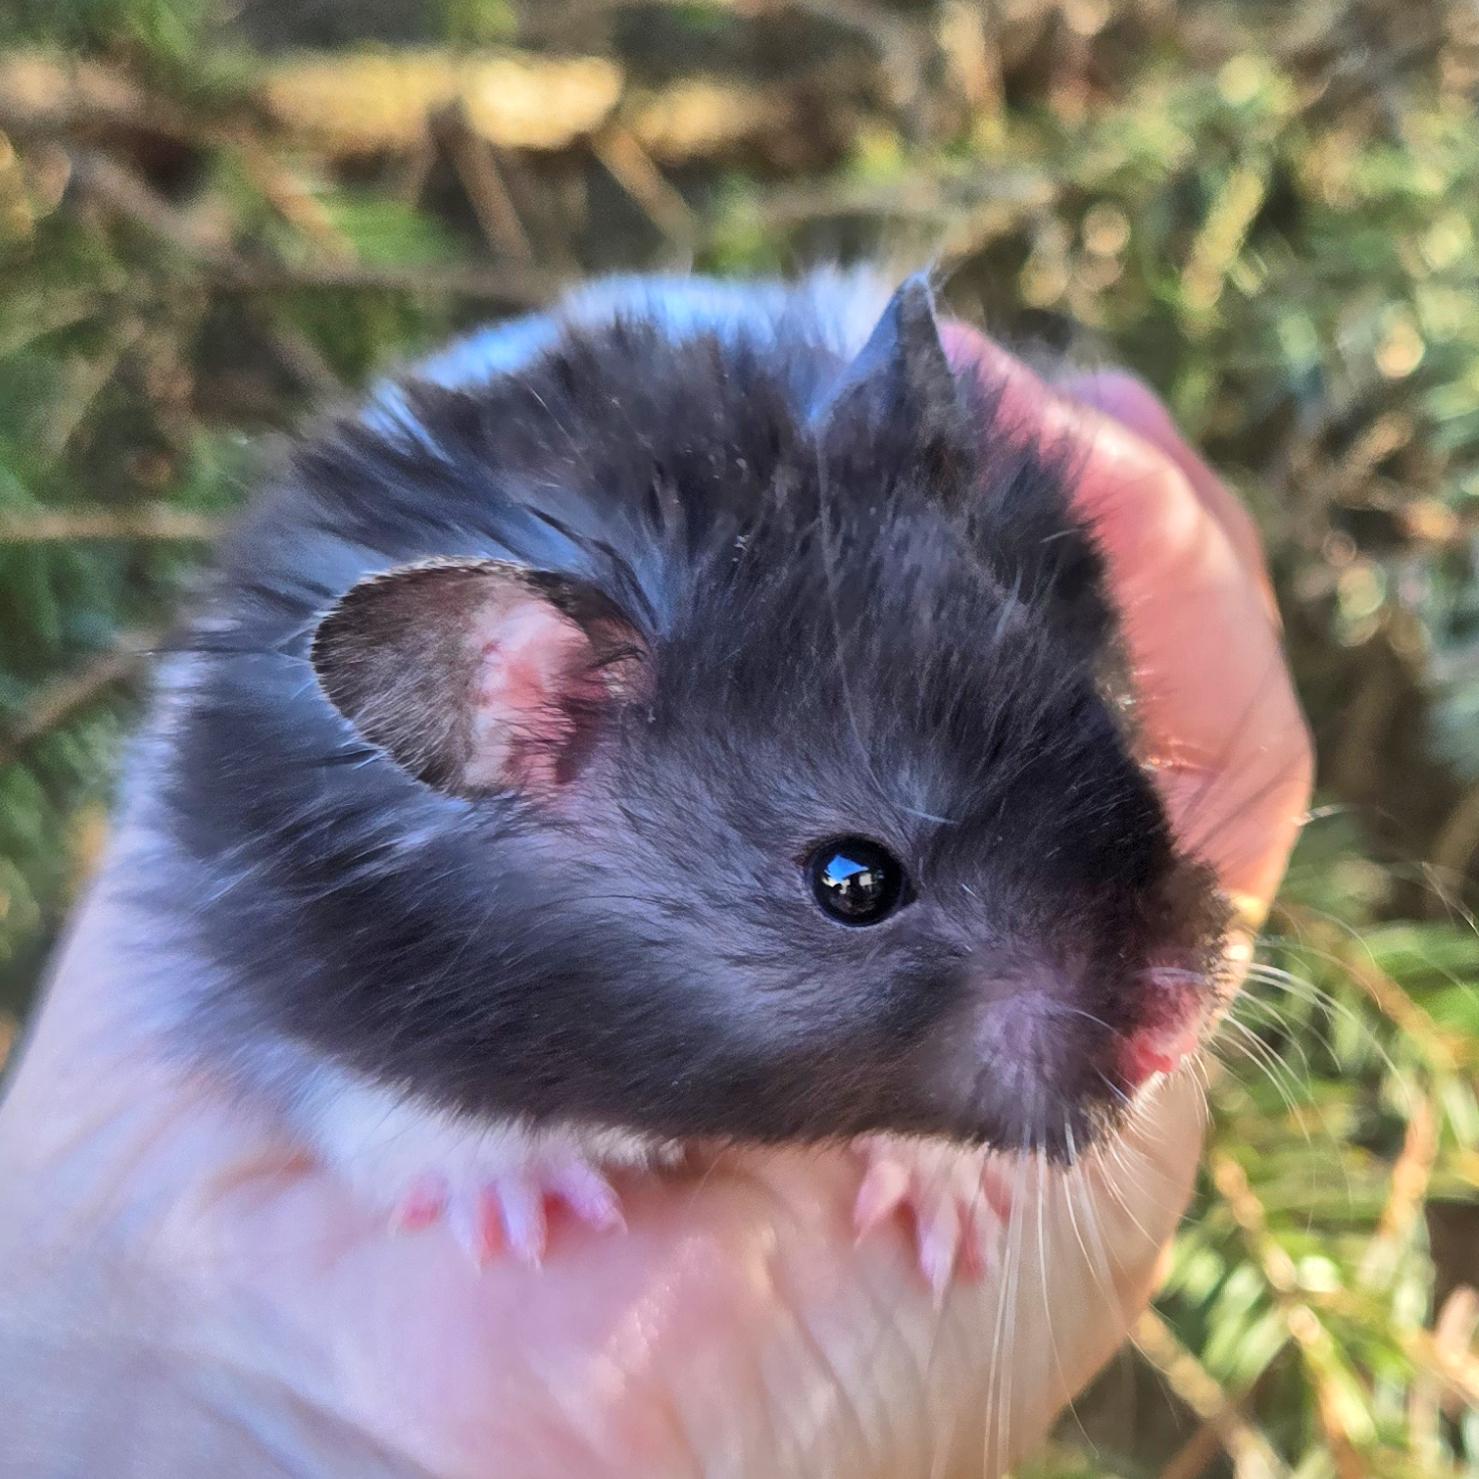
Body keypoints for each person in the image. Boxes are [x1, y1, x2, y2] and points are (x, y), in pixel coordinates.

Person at [0, 324, 1312, 1478]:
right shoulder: (351, 893)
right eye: (857, 885)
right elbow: (250, 981)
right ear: (528, 716)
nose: (1171, 1010)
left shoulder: (910, 531)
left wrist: (928, 1106)